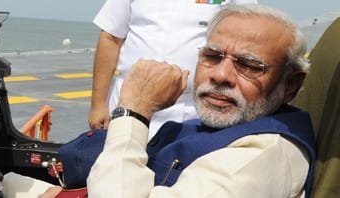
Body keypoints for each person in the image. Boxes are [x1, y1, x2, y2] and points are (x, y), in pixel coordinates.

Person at [67, 4, 315, 197]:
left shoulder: (260, 157)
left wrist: (133, 111)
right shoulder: (229, 125)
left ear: (290, 85)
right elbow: (111, 35)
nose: (220, 75)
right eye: (212, 56)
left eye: (249, 66)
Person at [88, 0, 257, 140]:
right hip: (127, 100)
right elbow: (111, 37)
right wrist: (98, 104)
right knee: (116, 167)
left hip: (192, 109)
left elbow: (247, 41)